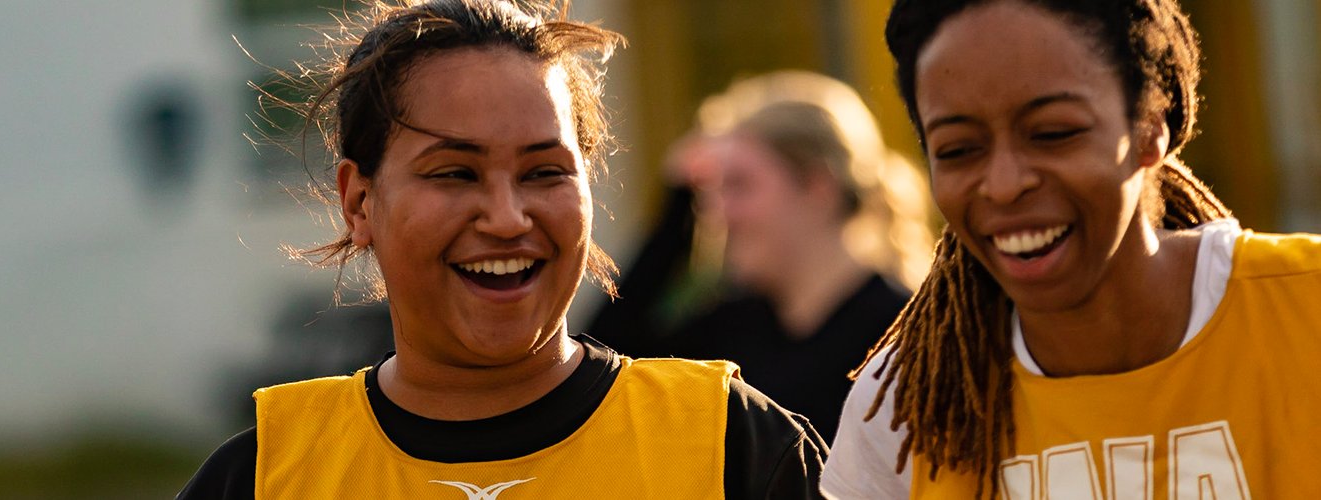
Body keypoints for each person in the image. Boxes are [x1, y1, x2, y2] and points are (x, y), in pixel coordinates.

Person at [176, 1, 827, 498]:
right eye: (454, 172)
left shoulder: (730, 444)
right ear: (358, 201)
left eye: (545, 172)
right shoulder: (265, 477)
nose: (509, 218)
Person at [821, 0, 1321, 498]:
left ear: (1151, 125)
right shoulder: (910, 408)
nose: (1004, 184)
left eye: (1054, 133)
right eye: (958, 150)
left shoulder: (1305, 308)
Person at [588, 71, 935, 441]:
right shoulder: (735, 328)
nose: (718, 214)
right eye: (711, 193)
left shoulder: (908, 337)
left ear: (817, 187)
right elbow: (599, 382)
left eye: (739, 186)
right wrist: (674, 218)